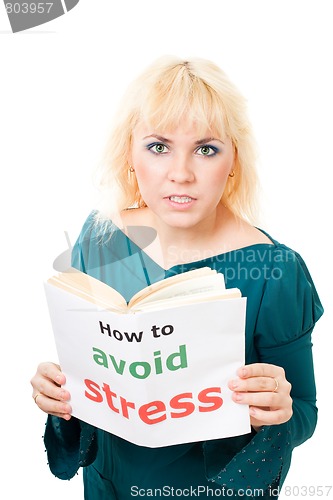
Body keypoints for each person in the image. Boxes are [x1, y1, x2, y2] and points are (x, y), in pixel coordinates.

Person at [31, 56, 323, 499]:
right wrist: (59, 398)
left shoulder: (275, 272)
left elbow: (303, 410)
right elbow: (90, 374)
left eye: (206, 149)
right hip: (109, 483)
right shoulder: (102, 235)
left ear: (233, 160)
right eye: (158, 146)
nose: (181, 173)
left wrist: (280, 409)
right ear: (129, 153)